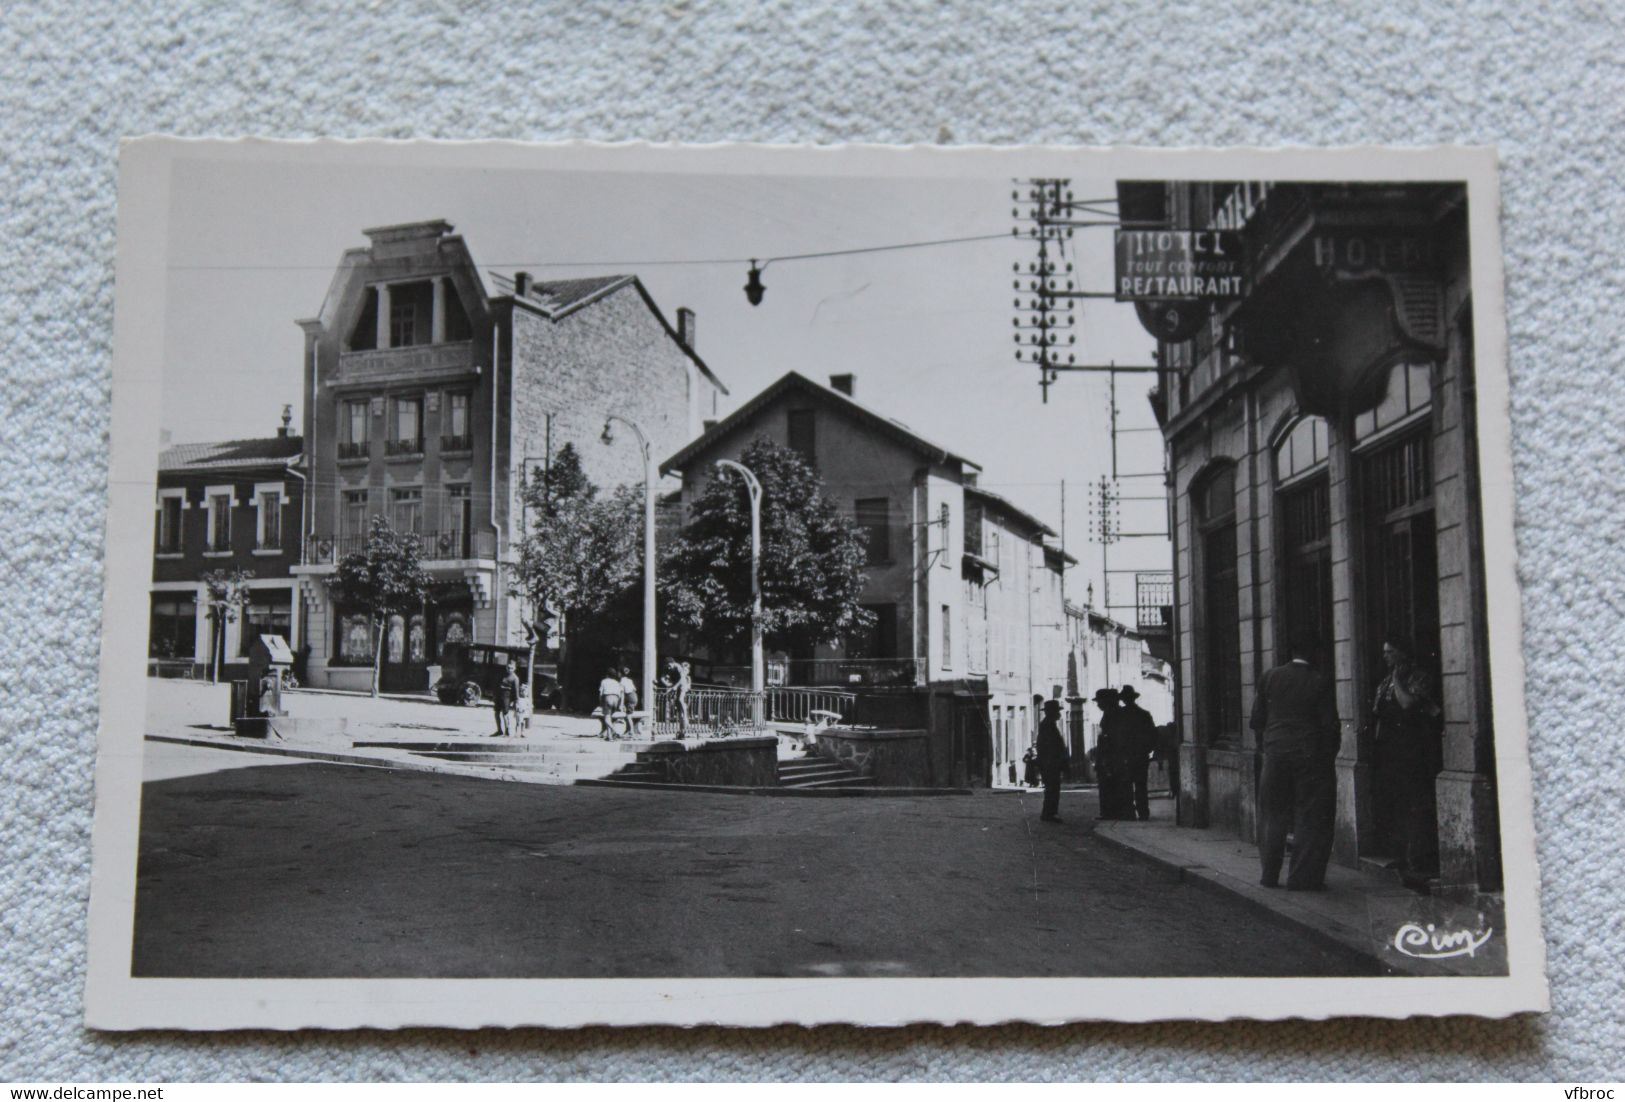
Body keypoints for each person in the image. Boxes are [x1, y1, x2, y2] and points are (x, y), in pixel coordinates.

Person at [1250, 632, 1341, 891]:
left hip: (1275, 755)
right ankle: (1302, 879)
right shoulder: (1319, 681)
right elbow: (1330, 727)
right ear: (1314, 654)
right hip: (1309, 757)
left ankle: (1269, 875)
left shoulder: (1269, 677)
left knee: (1273, 815)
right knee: (1309, 817)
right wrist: (1327, 757)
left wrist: (1267, 747)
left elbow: (1256, 720)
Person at [1372, 636, 1443, 887]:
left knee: (1416, 804)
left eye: (1390, 652)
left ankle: (1418, 860)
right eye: (1385, 652)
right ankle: (1401, 856)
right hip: (1391, 751)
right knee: (1397, 803)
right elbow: (1377, 710)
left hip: (1414, 750)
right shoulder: (1385, 681)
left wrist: (1397, 680)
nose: (1386, 657)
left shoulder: (1418, 677)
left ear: (1403, 654)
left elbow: (1407, 703)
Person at [1117, 684, 1157, 821]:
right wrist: (1147, 750)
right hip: (1140, 755)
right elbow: (1152, 735)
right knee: (1141, 784)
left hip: (1125, 755)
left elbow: (1117, 737)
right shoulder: (1144, 715)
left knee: (1126, 784)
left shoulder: (1120, 715)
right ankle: (1143, 812)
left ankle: (1129, 812)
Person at [1091, 688, 1129, 820]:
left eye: (1099, 702)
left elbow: (1111, 738)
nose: (1098, 704)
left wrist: (1104, 759)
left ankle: (1111, 812)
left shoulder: (1113, 714)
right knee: (1110, 785)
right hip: (1110, 756)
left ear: (1107, 702)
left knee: (1110, 785)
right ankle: (1111, 812)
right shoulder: (1112, 713)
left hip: (1111, 757)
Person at [1035, 699, 1070, 822]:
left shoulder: (1049, 724)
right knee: (1052, 789)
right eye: (1057, 711)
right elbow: (1048, 746)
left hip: (1050, 762)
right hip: (1050, 763)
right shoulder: (1047, 726)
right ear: (1051, 712)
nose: (1059, 713)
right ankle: (1049, 813)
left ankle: (1049, 812)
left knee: (1052, 788)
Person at [662, 658, 692, 739]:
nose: (668, 667)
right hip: (677, 686)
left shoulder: (678, 667)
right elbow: (663, 677)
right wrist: (667, 684)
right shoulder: (669, 668)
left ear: (673, 663)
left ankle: (685, 714)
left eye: (669, 666)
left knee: (680, 700)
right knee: (679, 710)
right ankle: (682, 732)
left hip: (682, 686)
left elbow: (682, 679)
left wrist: (674, 687)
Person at [491, 657, 518, 738]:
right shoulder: (501, 674)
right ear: (506, 667)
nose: (509, 669)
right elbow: (496, 685)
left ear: (514, 668)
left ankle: (507, 731)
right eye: (508, 667)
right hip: (499, 695)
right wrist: (494, 696)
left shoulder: (515, 678)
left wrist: (515, 701)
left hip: (507, 697)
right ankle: (499, 730)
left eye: (511, 668)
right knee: (496, 713)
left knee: (505, 714)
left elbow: (516, 691)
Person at [597, 667, 625, 739]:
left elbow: (601, 693)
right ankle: (609, 737)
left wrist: (600, 702)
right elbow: (621, 694)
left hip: (608, 698)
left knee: (606, 718)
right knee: (610, 718)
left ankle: (615, 731)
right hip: (616, 699)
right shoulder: (617, 682)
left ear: (607, 675)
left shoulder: (604, 681)